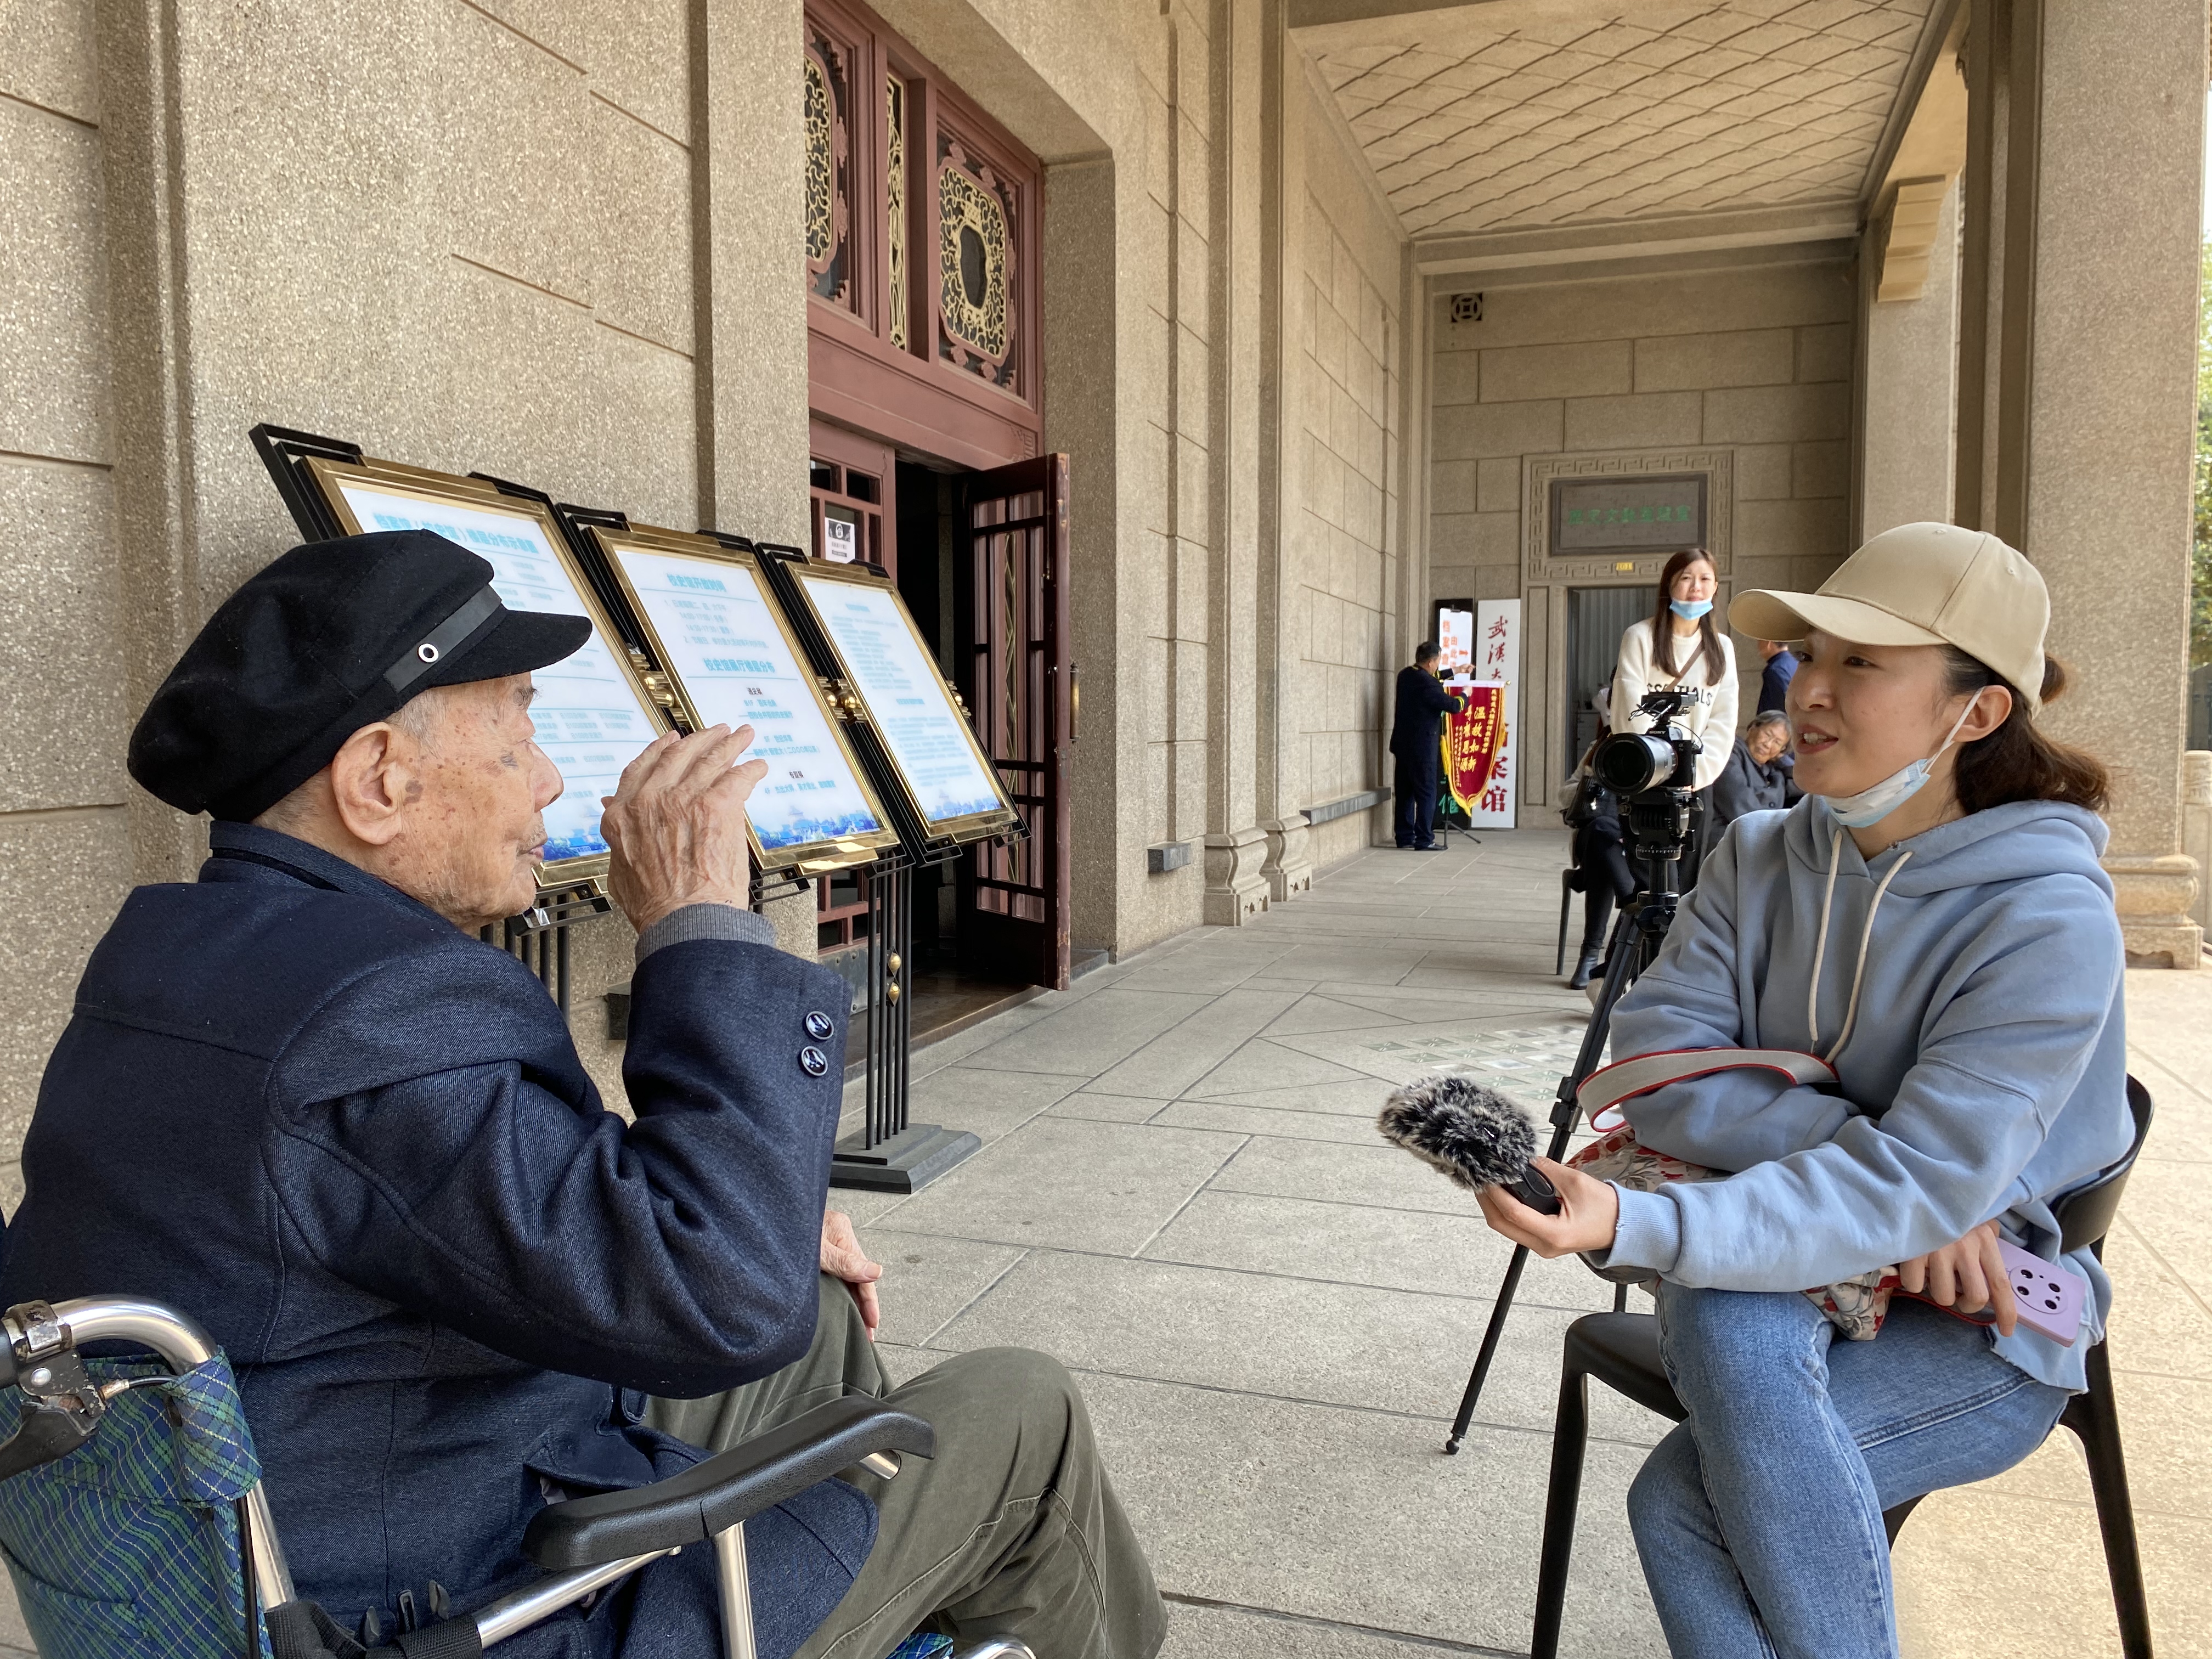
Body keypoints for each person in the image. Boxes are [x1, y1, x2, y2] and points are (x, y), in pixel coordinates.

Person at [0, 531, 1165, 1659]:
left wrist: (754, 1226)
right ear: (379, 782)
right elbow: (717, 1298)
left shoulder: (179, 960)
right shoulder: (384, 1018)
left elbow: (462, 1200)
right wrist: (701, 922)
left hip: (346, 1521)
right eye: (516, 739)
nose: (553, 780)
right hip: (480, 1610)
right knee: (1026, 1410)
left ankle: (878, 1590)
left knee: (799, 1305)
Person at [1477, 522, 2131, 1658]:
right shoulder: (1761, 854)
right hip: (1853, 1258)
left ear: (1975, 714)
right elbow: (1656, 1069)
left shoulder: (2048, 918)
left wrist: (1649, 1213)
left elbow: (1912, 1181)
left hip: (1982, 1317)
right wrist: (1891, 1172)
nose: (1809, 690)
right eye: (1812, 655)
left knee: (1685, 1482)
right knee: (1726, 1315)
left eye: (1861, 664)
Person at [1609, 550, 1738, 887]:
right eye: (1686, 578)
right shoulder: (1640, 637)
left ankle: (1679, 942)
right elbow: (1628, 712)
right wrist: (1654, 767)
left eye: (1705, 579)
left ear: (1715, 588)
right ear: (1669, 584)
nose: (1696, 587)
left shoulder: (1722, 648)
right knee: (1646, 885)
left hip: (1696, 782)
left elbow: (1723, 720)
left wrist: (1695, 774)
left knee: (1687, 884)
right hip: (1644, 780)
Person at [1390, 641, 1467, 851]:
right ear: (1432, 661)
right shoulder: (1428, 684)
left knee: (1405, 793)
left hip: (1403, 745)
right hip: (1422, 748)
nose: (1438, 664)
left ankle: (1405, 837)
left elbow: (1432, 678)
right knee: (1426, 793)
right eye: (1439, 660)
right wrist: (1465, 695)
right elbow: (1453, 706)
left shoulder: (1406, 675)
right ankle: (1424, 839)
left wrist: (1457, 671)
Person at [1708, 709, 1791, 832]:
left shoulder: (1775, 773)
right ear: (1753, 728)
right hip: (1726, 837)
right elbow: (1738, 803)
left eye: (1777, 743)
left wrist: (1782, 760)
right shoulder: (1730, 752)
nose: (1768, 744)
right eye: (1767, 735)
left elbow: (1805, 787)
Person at [1755, 636, 1797, 713]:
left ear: (1768, 643)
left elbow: (1776, 709)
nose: (1758, 645)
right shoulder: (1796, 663)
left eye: (1759, 641)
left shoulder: (1775, 671)